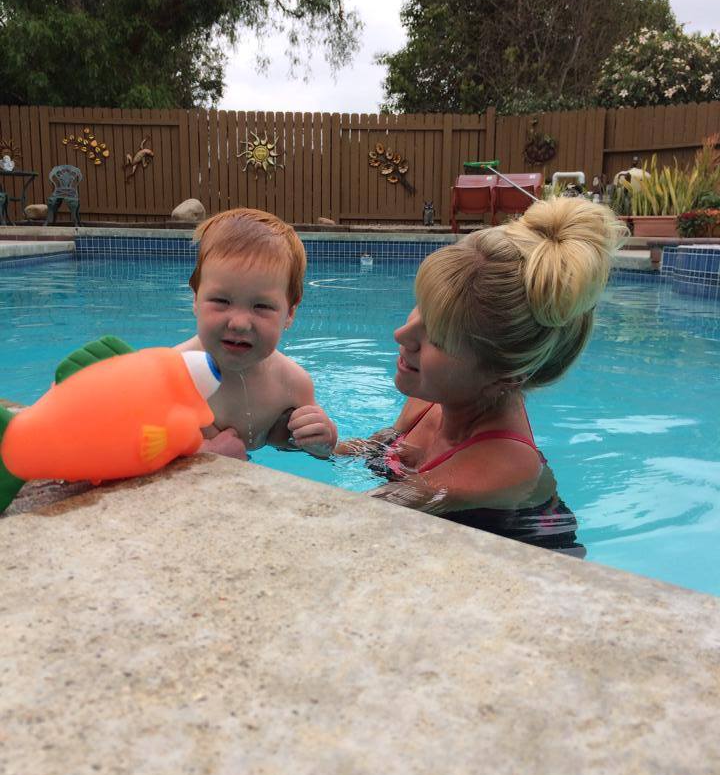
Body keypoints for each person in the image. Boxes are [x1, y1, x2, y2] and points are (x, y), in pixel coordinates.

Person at [337, 196, 627, 555]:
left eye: (438, 337)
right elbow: (376, 449)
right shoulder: (433, 393)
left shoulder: (507, 463)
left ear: (504, 376)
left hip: (530, 575)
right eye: (420, 308)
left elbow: (369, 510)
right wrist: (308, 437)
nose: (402, 334)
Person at [176, 207, 337, 460]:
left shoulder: (293, 384)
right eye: (221, 301)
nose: (239, 323)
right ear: (195, 299)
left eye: (261, 306)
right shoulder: (171, 372)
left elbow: (319, 452)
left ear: (290, 313)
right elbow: (135, 447)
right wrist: (208, 454)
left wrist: (322, 440)